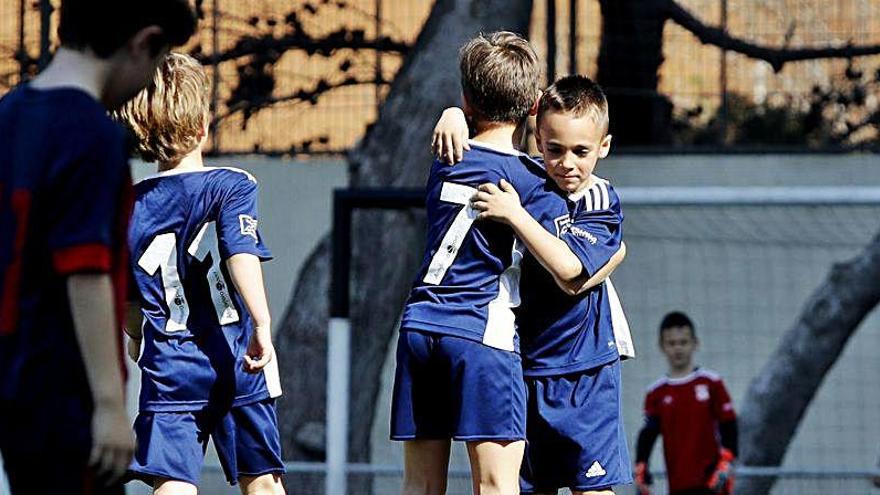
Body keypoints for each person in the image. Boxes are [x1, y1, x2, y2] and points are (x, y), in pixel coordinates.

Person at [0, 2, 195, 494]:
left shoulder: (9, 115)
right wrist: (109, 405)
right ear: (142, 42)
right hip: (65, 389)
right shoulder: (92, 135)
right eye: (157, 61)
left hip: (13, 381)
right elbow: (83, 268)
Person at [433, 75, 634, 495]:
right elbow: (489, 136)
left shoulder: (596, 197)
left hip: (585, 371)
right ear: (537, 139)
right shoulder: (524, 179)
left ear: (604, 147)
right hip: (521, 367)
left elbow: (571, 272)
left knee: (593, 490)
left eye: (581, 151)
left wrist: (514, 215)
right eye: (554, 149)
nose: (567, 163)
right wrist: (455, 114)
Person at [118, 53, 285, 495]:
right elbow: (239, 252)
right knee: (263, 483)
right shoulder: (232, 184)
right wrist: (263, 323)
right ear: (201, 125)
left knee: (173, 485)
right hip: (235, 358)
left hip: (170, 368)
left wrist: (136, 336)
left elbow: (128, 299)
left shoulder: (126, 206)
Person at [634, 311, 738, 495]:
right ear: (662, 346)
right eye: (672, 343)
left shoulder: (711, 382)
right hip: (677, 483)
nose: (678, 349)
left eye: (683, 342)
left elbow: (729, 425)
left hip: (711, 483)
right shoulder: (656, 392)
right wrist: (641, 465)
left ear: (695, 344)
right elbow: (648, 433)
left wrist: (726, 462)